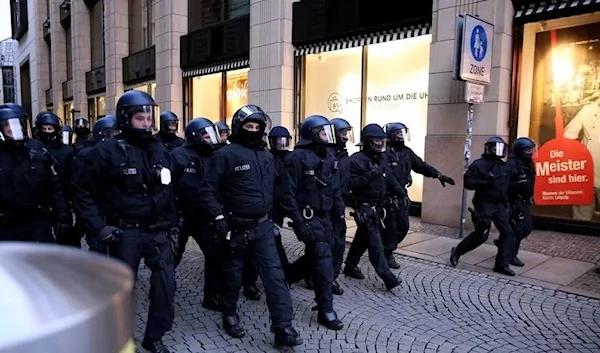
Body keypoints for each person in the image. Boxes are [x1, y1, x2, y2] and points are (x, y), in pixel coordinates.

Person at [72, 91, 178, 353]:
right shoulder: (104, 152)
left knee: (166, 284)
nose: (146, 123)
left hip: (157, 231)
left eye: (148, 117)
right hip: (124, 232)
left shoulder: (158, 148)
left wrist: (174, 222)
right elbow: (83, 191)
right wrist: (99, 227)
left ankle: (154, 337)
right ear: (124, 119)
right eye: (139, 118)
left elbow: (167, 188)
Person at [198, 104, 302, 346]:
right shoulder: (225, 155)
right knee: (233, 274)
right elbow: (207, 190)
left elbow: (277, 189)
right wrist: (219, 217)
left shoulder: (267, 156)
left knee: (275, 276)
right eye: (249, 126)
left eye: (257, 127)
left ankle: (283, 327)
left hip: (264, 226)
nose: (253, 130)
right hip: (235, 227)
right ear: (239, 127)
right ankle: (229, 314)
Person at [281, 115, 344, 330]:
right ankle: (325, 308)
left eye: (328, 132)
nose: (327, 136)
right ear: (312, 134)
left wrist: (340, 213)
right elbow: (287, 194)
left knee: (323, 253)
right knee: (323, 259)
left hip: (327, 217)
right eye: (323, 132)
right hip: (308, 217)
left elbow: (335, 187)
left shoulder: (330, 155)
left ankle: (288, 275)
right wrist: (298, 221)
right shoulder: (296, 158)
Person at [383, 122, 455, 268]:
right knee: (389, 227)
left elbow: (421, 166)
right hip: (387, 196)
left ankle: (385, 250)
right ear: (392, 135)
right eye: (398, 133)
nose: (401, 136)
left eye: (403, 133)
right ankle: (386, 253)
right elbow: (387, 176)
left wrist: (438, 175)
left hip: (401, 196)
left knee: (403, 227)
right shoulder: (385, 153)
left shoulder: (406, 152)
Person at [171, 117, 222, 311]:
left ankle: (211, 297)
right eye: (206, 135)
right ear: (196, 136)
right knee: (173, 255)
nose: (211, 139)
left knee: (214, 255)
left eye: (212, 135)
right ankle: (160, 289)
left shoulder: (216, 156)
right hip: (182, 214)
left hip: (205, 215)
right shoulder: (178, 155)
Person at [343, 124, 402, 290]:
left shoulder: (382, 158)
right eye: (377, 139)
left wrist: (401, 194)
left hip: (379, 207)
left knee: (362, 239)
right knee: (375, 244)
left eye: (382, 139)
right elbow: (350, 184)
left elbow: (389, 179)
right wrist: (371, 174)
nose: (380, 143)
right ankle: (388, 277)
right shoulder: (356, 160)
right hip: (365, 208)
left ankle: (350, 265)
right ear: (368, 141)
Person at [0, 105, 71, 243]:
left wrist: (62, 216)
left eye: (17, 126)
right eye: (8, 128)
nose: (14, 131)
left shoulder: (37, 149)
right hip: (5, 224)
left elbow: (54, 185)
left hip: (37, 221)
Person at [449, 136, 517, 276]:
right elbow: (468, 183)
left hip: (500, 204)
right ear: (489, 148)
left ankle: (501, 264)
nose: (498, 151)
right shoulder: (478, 164)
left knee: (508, 233)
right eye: (495, 148)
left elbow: (507, 187)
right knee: (481, 234)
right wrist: (485, 182)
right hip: (484, 203)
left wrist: (509, 204)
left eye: (500, 148)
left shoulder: (503, 166)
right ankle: (458, 251)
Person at [242, 125, 293, 299]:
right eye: (277, 141)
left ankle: (282, 277)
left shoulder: (291, 158)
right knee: (262, 245)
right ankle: (250, 281)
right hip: (267, 206)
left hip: (281, 206)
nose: (281, 144)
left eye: (284, 141)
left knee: (274, 243)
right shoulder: (267, 156)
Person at [72, 115, 118, 254]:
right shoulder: (86, 155)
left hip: (116, 210)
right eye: (111, 134)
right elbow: (81, 189)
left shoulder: (122, 152)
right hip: (96, 210)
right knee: (99, 248)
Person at [34, 111, 78, 246]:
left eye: (50, 128)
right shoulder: (34, 149)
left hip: (63, 200)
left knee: (66, 238)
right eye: (44, 129)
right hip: (41, 202)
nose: (47, 132)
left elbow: (72, 177)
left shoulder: (67, 151)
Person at [329, 117, 354, 295]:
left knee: (338, 244)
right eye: (343, 132)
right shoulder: (325, 154)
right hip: (323, 208)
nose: (346, 136)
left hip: (339, 207)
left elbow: (349, 183)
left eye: (347, 132)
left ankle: (331, 277)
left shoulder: (346, 158)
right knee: (324, 245)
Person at [506, 137, 536, 267]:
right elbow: (504, 184)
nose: (531, 152)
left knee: (526, 229)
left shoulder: (529, 163)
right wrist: (517, 184)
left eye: (531, 150)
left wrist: (530, 193)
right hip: (514, 200)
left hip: (524, 200)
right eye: (528, 150)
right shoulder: (511, 165)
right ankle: (511, 255)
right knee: (517, 230)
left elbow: (531, 180)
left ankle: (504, 243)